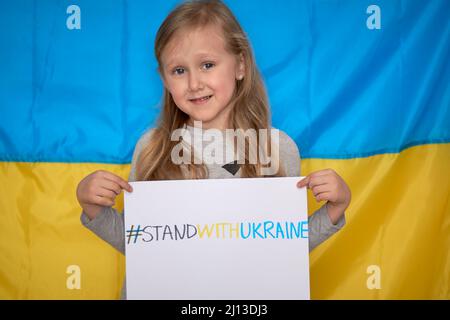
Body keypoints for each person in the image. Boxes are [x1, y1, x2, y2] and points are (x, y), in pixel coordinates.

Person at [76, 0, 351, 299]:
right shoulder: (152, 149)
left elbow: (282, 249)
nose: (194, 83)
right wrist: (93, 207)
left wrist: (334, 210)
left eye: (207, 65)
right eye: (179, 70)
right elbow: (140, 244)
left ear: (240, 65)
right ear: (164, 79)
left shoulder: (277, 149)